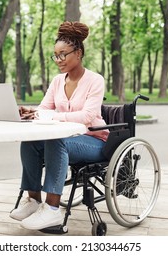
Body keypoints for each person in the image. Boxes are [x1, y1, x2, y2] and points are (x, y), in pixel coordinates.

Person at [10, 21, 109, 230]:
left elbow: (88, 116)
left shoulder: (95, 80)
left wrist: (54, 116)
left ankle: (52, 210)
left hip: (94, 141)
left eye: (63, 54)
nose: (59, 60)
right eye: (56, 55)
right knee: (30, 142)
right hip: (67, 139)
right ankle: (34, 200)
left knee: (57, 142)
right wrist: (32, 112)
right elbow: (45, 107)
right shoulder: (57, 81)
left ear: (79, 53)